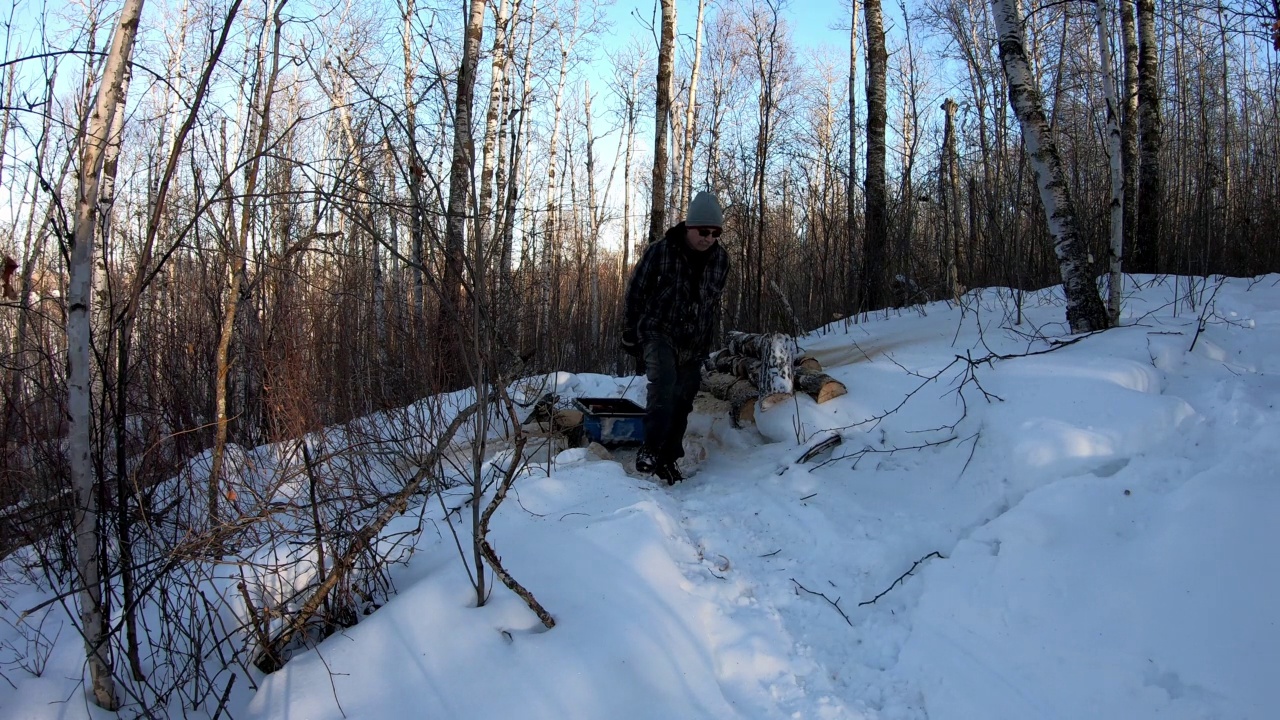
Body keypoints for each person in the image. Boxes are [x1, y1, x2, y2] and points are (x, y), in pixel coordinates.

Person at [621, 191, 730, 484]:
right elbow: (636, 291)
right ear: (689, 227)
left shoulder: (721, 260)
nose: (709, 237)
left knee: (684, 398)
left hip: (693, 342)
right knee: (664, 384)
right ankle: (650, 449)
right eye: (703, 231)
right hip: (658, 330)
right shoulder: (662, 250)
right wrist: (630, 333)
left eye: (715, 232)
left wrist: (705, 345)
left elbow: (710, 306)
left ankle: (668, 457)